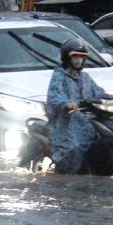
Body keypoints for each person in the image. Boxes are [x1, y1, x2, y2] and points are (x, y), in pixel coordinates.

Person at [45, 38, 106, 175]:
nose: (79, 60)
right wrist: (66, 104)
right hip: (65, 123)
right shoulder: (59, 76)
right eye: (75, 56)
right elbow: (54, 96)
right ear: (67, 57)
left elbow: (99, 93)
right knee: (74, 147)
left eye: (82, 57)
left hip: (87, 120)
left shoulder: (85, 77)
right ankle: (65, 175)